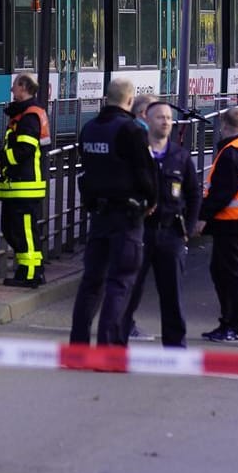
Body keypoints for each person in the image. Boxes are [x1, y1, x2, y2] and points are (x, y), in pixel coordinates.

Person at [69, 78, 158, 346]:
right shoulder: (131, 130)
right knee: (120, 283)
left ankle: (79, 344)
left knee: (91, 283)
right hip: (127, 217)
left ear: (107, 97)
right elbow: (145, 172)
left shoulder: (90, 128)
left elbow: (85, 171)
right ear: (130, 101)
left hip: (99, 215)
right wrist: (152, 200)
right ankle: (108, 347)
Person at [121, 99, 197, 347]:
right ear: (147, 120)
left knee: (172, 293)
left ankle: (175, 346)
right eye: (159, 117)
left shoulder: (180, 156)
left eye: (168, 118)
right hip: (140, 231)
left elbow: (194, 194)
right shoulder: (136, 153)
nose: (165, 122)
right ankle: (116, 343)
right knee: (130, 291)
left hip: (171, 233)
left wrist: (190, 227)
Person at [196, 106, 238, 343]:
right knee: (228, 273)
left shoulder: (231, 153)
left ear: (224, 127)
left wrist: (202, 217)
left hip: (233, 223)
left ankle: (236, 326)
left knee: (231, 275)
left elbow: (222, 192)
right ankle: (231, 323)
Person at [0, 73, 49, 287]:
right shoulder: (26, 114)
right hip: (20, 185)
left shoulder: (29, 116)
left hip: (24, 185)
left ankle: (30, 275)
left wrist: (0, 162)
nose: (12, 90)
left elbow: (24, 149)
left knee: (24, 231)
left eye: (15, 86)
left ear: (24, 87)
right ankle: (29, 271)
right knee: (16, 230)